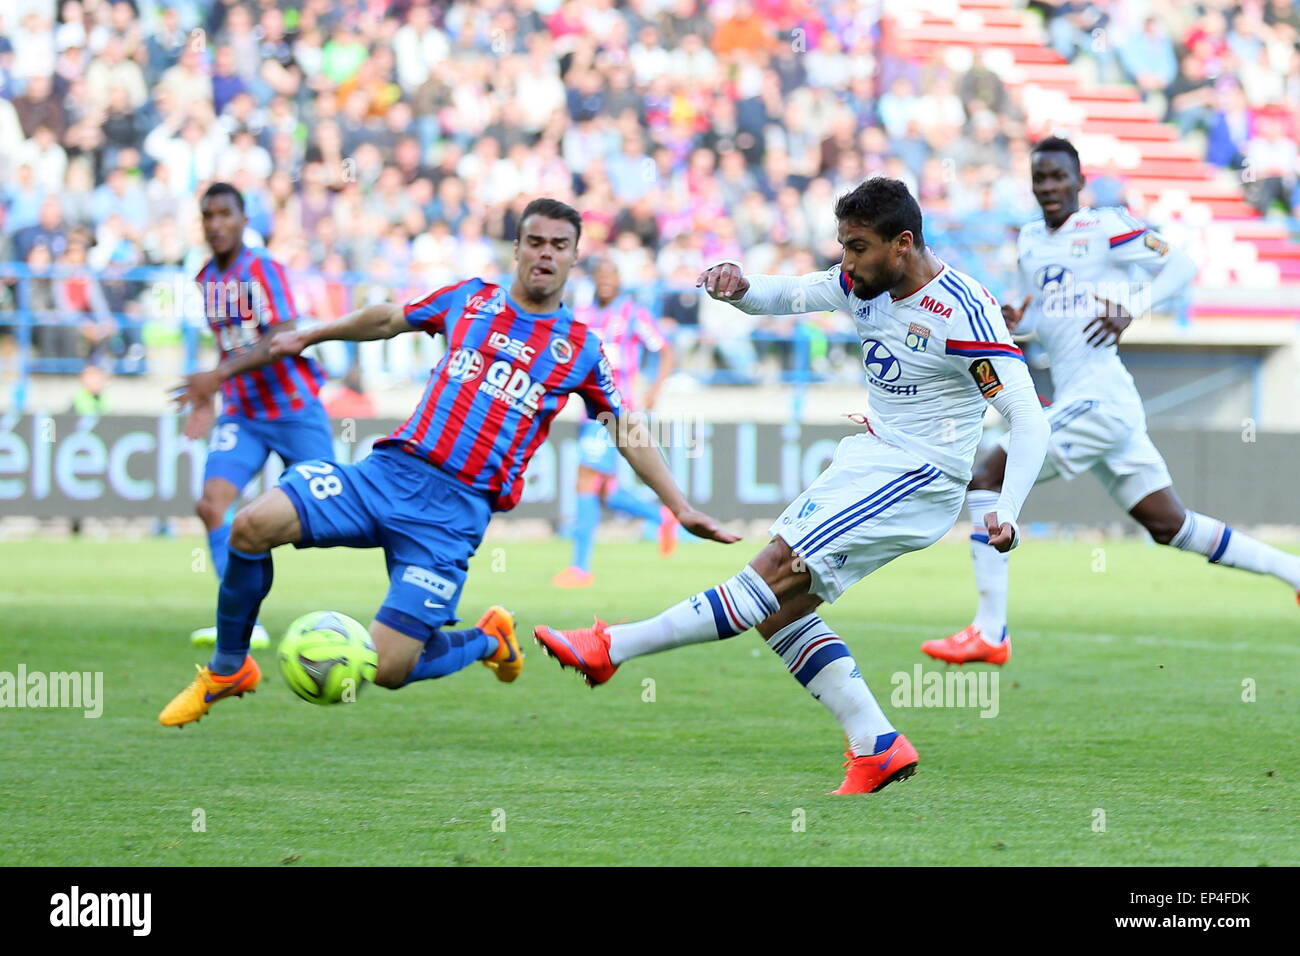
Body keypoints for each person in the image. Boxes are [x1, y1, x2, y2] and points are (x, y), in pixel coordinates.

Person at [534, 180, 1050, 794]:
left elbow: (1028, 415)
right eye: (842, 246)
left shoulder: (961, 312)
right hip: (872, 460)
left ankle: (610, 646)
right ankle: (876, 744)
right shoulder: (863, 280)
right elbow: (794, 292)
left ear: (903, 244)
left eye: (857, 247)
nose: (846, 261)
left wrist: (1009, 510)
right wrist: (741, 288)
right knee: (780, 608)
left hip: (918, 474)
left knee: (773, 568)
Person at [159, 198, 736, 728]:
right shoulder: (473, 298)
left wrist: (678, 507)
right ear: (517, 248)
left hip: (451, 518)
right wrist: (310, 336)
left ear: (573, 257)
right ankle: (229, 667)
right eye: (535, 241)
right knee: (250, 524)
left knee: (385, 669)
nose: (545, 254)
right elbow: (389, 318)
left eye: (559, 245)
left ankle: (487, 639)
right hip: (386, 475)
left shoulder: (580, 349)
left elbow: (624, 425)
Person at [924, 137, 1300, 666]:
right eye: (1040, 179)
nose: (1050, 187)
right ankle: (1295, 573)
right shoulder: (1031, 241)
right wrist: (1017, 324)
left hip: (1097, 395)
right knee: (1170, 525)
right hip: (1100, 401)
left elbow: (1183, 265)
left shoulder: (1104, 226)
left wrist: (1132, 306)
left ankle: (990, 630)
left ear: (1079, 180)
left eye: (1059, 177)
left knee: (988, 475)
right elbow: (1045, 316)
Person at [175, 183, 334, 650]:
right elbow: (231, 344)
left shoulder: (264, 269)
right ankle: (244, 622)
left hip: (294, 408)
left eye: (226, 214)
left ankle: (413, 605)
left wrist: (216, 375)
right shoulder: (205, 279)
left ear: (245, 221)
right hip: (243, 414)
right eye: (208, 215)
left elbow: (283, 336)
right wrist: (208, 398)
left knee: (335, 518)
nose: (216, 224)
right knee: (211, 505)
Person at [554, 259, 679, 588]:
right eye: (601, 276)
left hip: (616, 411)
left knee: (584, 480)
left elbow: (665, 350)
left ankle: (580, 568)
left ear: (620, 280)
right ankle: (662, 516)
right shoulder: (586, 314)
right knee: (606, 492)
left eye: (612, 276)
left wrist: (654, 389)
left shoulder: (633, 313)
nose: (606, 281)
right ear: (595, 280)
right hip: (588, 411)